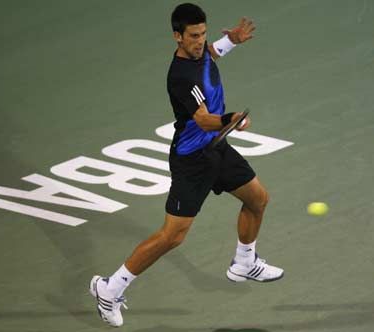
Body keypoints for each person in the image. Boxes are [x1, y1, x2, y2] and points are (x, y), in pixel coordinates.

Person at [89, 3, 283, 327]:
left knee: (258, 199)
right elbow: (206, 120)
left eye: (203, 33)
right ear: (177, 37)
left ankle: (244, 262)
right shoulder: (179, 76)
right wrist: (231, 118)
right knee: (172, 236)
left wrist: (230, 40)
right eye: (193, 36)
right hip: (192, 160)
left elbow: (209, 56)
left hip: (217, 148)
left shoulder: (199, 53)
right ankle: (110, 288)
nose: (199, 41)